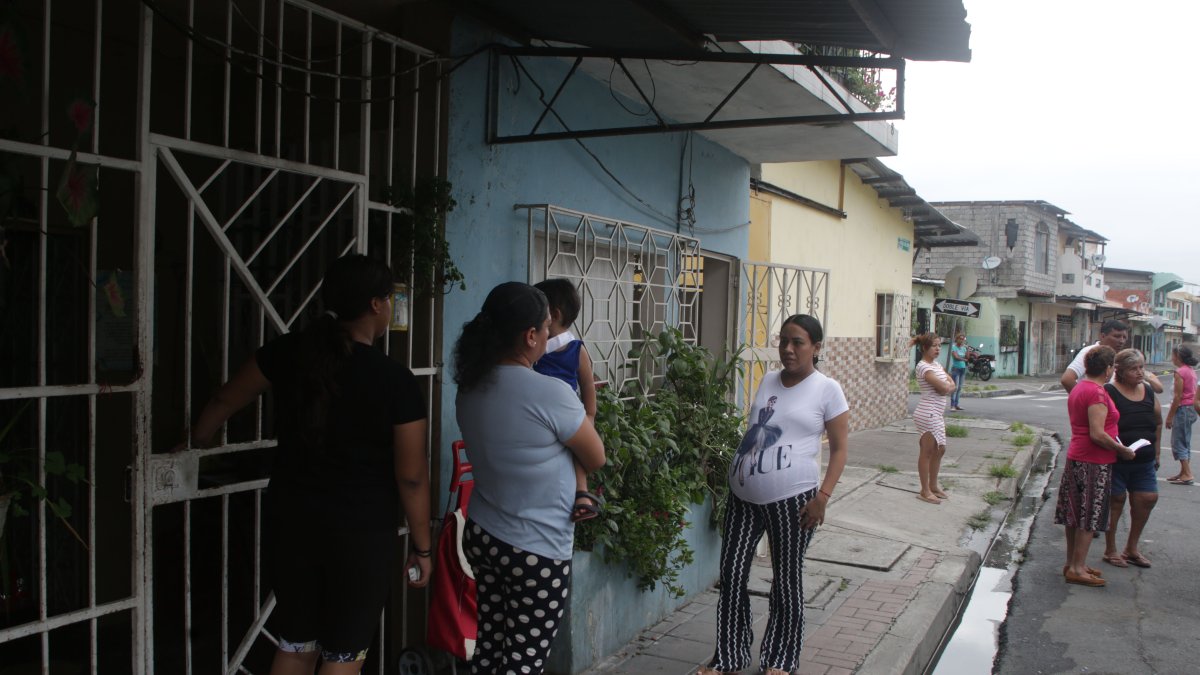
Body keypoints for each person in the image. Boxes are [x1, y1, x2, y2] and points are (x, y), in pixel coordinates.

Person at [184, 254, 432, 674]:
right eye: (389, 299)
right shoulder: (394, 380)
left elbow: (225, 399)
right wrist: (423, 547)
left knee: (296, 645)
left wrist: (194, 444)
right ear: (376, 304)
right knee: (343, 655)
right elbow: (411, 477)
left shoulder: (286, 353)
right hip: (359, 535)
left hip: (291, 524)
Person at [453, 281, 606, 675]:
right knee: (523, 661)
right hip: (535, 547)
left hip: (484, 534)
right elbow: (596, 455)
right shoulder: (549, 393)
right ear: (530, 336)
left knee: (489, 649)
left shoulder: (469, 387)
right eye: (545, 328)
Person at [700, 314, 849, 675]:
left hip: (795, 500)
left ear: (816, 347)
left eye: (797, 342)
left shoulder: (827, 389)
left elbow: (841, 449)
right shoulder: (768, 379)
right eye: (784, 341)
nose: (788, 349)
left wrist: (823, 497)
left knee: (786, 578)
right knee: (732, 574)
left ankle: (780, 660)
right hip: (743, 497)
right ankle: (729, 656)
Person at [1056, 346, 1136, 587]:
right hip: (1093, 461)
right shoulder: (1097, 394)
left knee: (1075, 514)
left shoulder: (1080, 387)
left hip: (1078, 457)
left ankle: (1073, 563)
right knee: (1089, 515)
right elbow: (1098, 434)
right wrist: (1122, 450)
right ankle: (1077, 567)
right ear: (1109, 369)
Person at [532, 278, 601, 521]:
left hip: (569, 415)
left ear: (554, 314)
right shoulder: (533, 346)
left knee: (576, 451)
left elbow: (588, 387)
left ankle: (582, 494)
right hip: (541, 417)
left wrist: (589, 417)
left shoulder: (576, 350)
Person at [1101, 349, 1162, 569]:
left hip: (1143, 460)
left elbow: (1157, 422)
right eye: (1134, 369)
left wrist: (1156, 452)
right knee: (1115, 502)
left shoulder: (1147, 390)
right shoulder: (1109, 391)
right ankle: (1110, 549)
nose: (1140, 373)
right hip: (1116, 459)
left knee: (1147, 499)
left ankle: (1132, 548)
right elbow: (1101, 425)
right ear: (1119, 371)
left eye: (1141, 368)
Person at [1061, 319, 1163, 394]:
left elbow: (1158, 388)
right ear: (1102, 336)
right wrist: (1084, 402)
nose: (1122, 341)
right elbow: (1067, 379)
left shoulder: (1120, 355)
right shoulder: (1091, 352)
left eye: (1124, 337)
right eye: (1117, 336)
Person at [912, 332, 955, 504]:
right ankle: (925, 490)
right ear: (924, 348)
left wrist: (947, 386)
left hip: (937, 413)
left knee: (940, 450)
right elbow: (944, 387)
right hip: (927, 413)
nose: (938, 349)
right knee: (927, 452)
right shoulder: (923, 367)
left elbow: (951, 384)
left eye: (939, 345)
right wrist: (946, 386)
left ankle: (933, 485)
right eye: (934, 346)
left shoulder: (937, 365)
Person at [1165, 344, 1198, 485]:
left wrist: (1169, 417)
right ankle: (1184, 471)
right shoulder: (1190, 370)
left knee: (1178, 441)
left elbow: (1178, 396)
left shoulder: (1180, 372)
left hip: (1183, 409)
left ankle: (1187, 473)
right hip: (1191, 409)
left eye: (1173, 355)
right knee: (1185, 440)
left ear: (1177, 356)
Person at [949, 332, 968, 411]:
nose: (962, 340)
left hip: (963, 369)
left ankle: (957, 404)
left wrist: (968, 350)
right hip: (956, 369)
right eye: (960, 339)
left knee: (960, 387)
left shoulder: (963, 348)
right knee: (955, 387)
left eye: (963, 339)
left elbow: (967, 357)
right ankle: (952, 405)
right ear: (957, 339)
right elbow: (956, 357)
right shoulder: (954, 347)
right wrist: (964, 359)